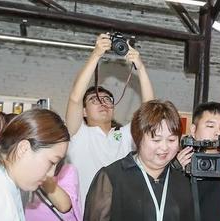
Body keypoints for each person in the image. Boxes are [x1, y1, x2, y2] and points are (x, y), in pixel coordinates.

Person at [65, 33, 154, 209]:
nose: (103, 103)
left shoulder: (124, 136)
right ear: (83, 111)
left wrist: (141, 68)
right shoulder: (78, 133)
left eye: (107, 100)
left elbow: (150, 108)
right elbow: (75, 97)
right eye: (94, 100)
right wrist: (96, 54)